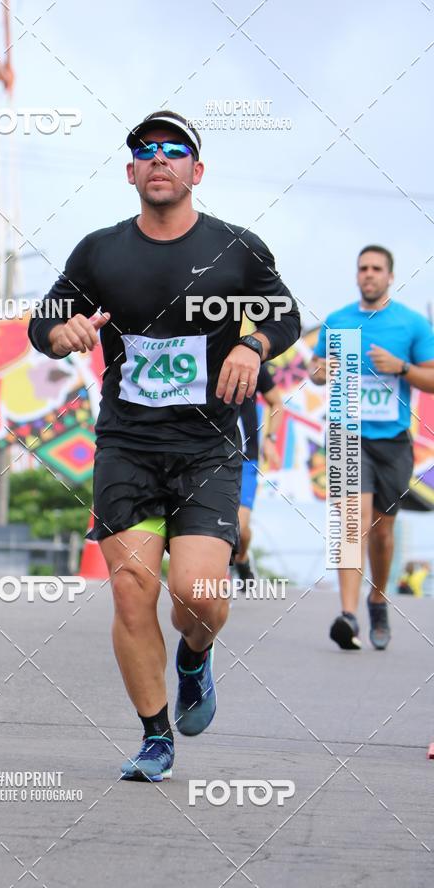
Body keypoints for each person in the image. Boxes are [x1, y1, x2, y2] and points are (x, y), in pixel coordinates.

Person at [29, 110, 300, 781]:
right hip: (126, 443)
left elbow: (285, 313)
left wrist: (250, 342)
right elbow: (47, 319)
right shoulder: (100, 252)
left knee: (198, 595)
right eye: (144, 150)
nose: (158, 158)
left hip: (207, 446)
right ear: (130, 171)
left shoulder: (237, 248)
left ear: (195, 171)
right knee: (130, 591)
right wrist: (57, 335)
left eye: (173, 150)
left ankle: (194, 657)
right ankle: (155, 737)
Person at [309, 245, 434, 650]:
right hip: (347, 433)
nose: (368, 274)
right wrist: (321, 371)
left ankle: (377, 599)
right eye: (363, 268)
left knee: (382, 532)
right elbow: (315, 370)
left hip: (393, 440)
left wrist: (401, 368)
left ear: (390, 276)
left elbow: (431, 378)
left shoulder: (412, 325)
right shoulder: (338, 321)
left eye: (376, 269)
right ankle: (347, 615)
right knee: (351, 519)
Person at [230, 363, 283, 585]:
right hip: (208, 459)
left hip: (246, 461)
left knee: (240, 529)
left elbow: (277, 402)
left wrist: (270, 440)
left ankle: (242, 559)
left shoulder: (250, 362)